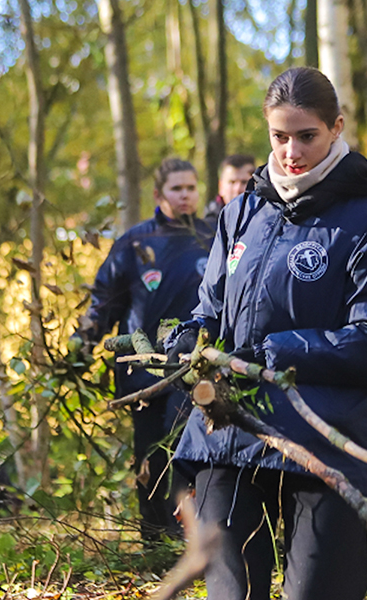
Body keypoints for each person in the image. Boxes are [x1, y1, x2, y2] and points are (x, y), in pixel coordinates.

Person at [163, 67, 367, 600]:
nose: (291, 152)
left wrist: (274, 352)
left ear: (337, 128)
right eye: (279, 136)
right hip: (227, 435)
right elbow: (210, 307)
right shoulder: (241, 213)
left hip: (327, 444)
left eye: (307, 136)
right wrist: (191, 338)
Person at [72, 158, 214, 540]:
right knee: (151, 453)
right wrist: (81, 342)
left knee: (186, 441)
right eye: (176, 189)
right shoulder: (134, 242)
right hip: (141, 365)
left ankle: (191, 534)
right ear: (158, 194)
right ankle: (155, 537)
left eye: (190, 188)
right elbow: (105, 300)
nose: (185, 196)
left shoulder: (213, 236)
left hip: (194, 365)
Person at [204, 154, 256, 223]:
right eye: (232, 182)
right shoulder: (205, 228)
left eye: (244, 182)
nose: (238, 189)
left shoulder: (268, 220)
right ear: (221, 186)